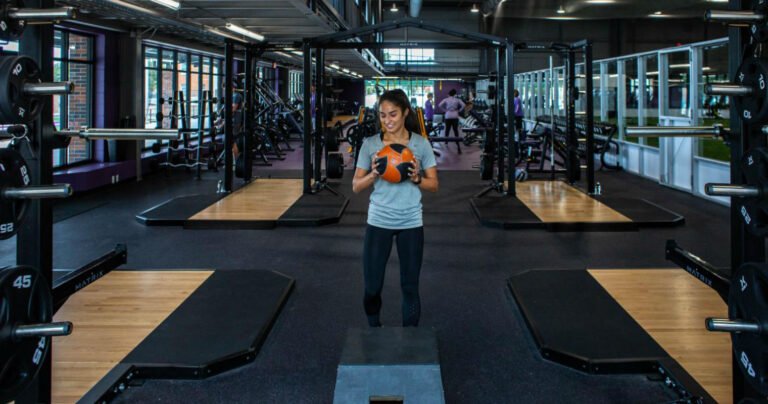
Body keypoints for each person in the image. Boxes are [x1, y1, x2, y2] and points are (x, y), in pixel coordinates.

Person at [352, 89, 438, 328]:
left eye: (393, 114)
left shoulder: (420, 144)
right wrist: (373, 174)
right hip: (379, 221)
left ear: (405, 113)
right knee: (372, 287)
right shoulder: (370, 145)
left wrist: (418, 178)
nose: (387, 120)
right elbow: (356, 187)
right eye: (382, 115)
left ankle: (410, 337)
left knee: (410, 286)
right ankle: (373, 330)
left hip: (411, 222)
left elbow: (434, 185)